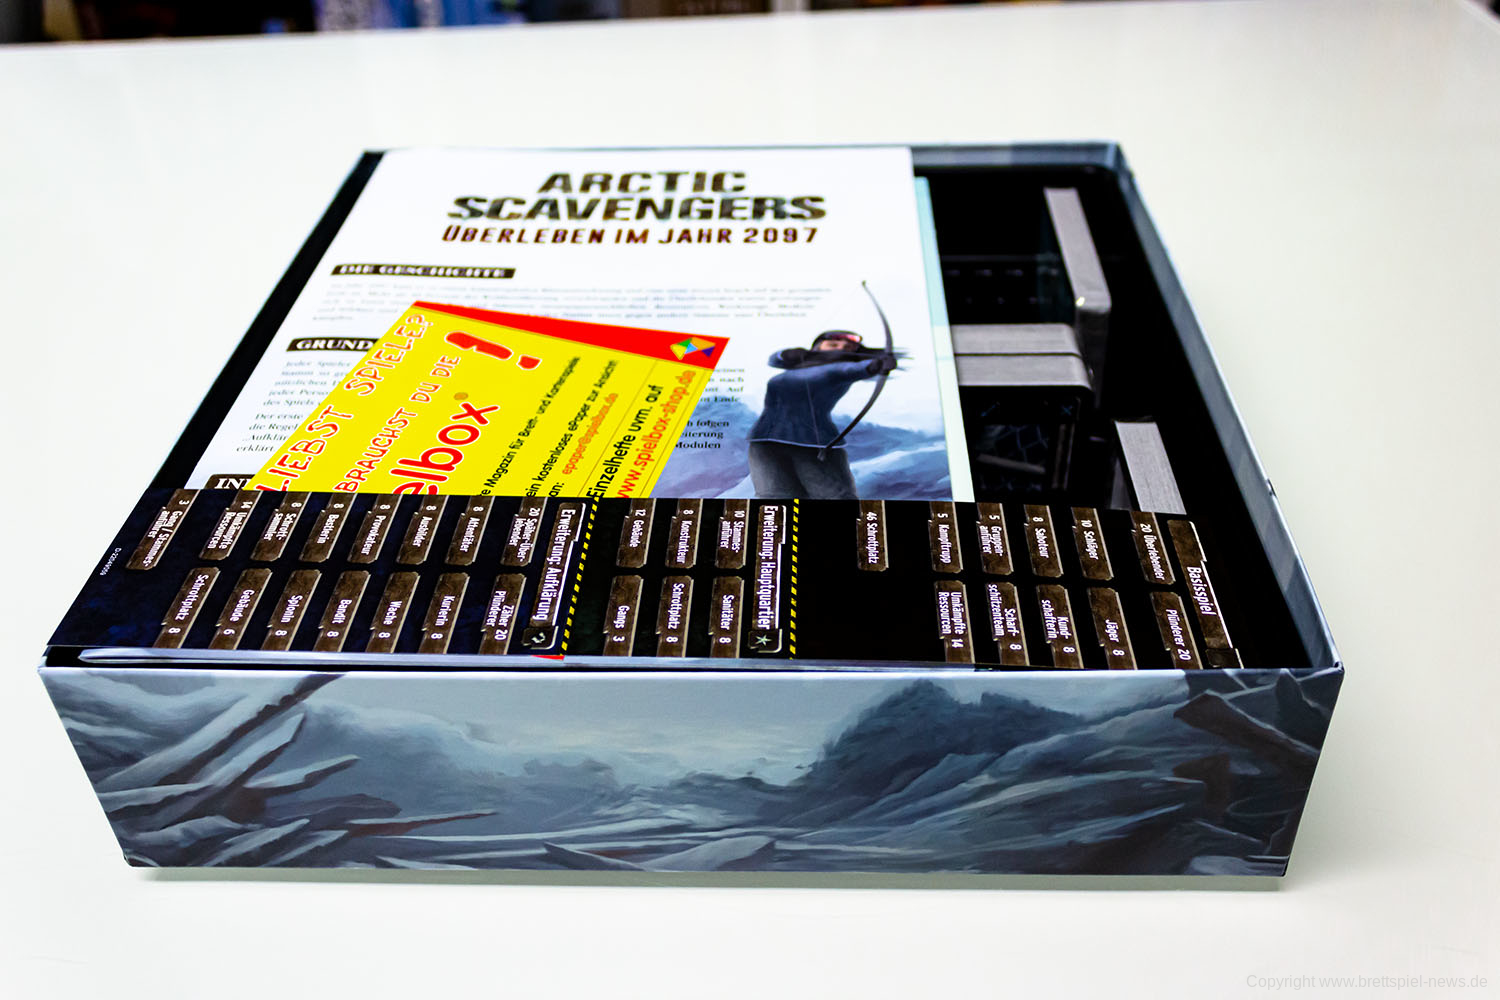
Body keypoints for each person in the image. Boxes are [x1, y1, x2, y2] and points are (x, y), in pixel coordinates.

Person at [746, 330, 897, 499]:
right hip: (764, 442)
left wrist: (877, 365)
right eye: (833, 345)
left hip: (812, 443)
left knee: (833, 496)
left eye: (848, 348)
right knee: (775, 497)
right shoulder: (798, 365)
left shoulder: (839, 369)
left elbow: (858, 369)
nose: (840, 349)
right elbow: (775, 359)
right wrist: (789, 354)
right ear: (817, 347)